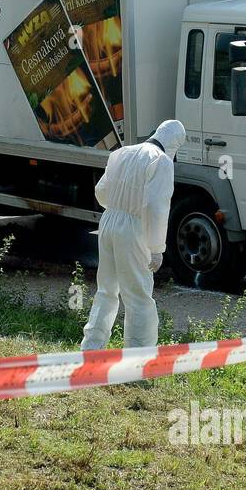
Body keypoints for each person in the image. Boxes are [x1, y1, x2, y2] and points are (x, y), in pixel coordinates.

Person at [80, 119, 186, 351]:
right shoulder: (162, 161)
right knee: (138, 296)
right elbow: (155, 208)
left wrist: (120, 205)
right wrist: (157, 249)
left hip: (109, 222)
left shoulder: (121, 153)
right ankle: (138, 360)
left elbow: (101, 193)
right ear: (174, 144)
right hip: (133, 228)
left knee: (106, 291)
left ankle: (91, 349)